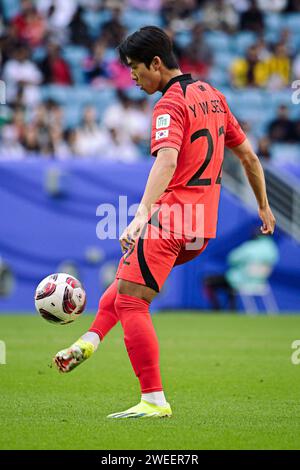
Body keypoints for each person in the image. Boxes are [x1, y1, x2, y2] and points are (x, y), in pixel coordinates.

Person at [53, 26, 276, 418]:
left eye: (135, 68)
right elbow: (250, 159)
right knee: (127, 283)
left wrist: (140, 216)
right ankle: (86, 343)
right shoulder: (213, 95)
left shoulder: (170, 105)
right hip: (201, 226)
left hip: (172, 216)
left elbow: (168, 159)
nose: (133, 77)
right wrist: (264, 206)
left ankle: (153, 399)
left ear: (156, 63)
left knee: (132, 301)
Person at [204, 231, 279, 311]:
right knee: (230, 286)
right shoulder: (272, 248)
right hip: (261, 282)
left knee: (207, 281)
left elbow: (232, 258)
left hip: (239, 280)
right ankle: (231, 307)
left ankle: (218, 309)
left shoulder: (250, 247)